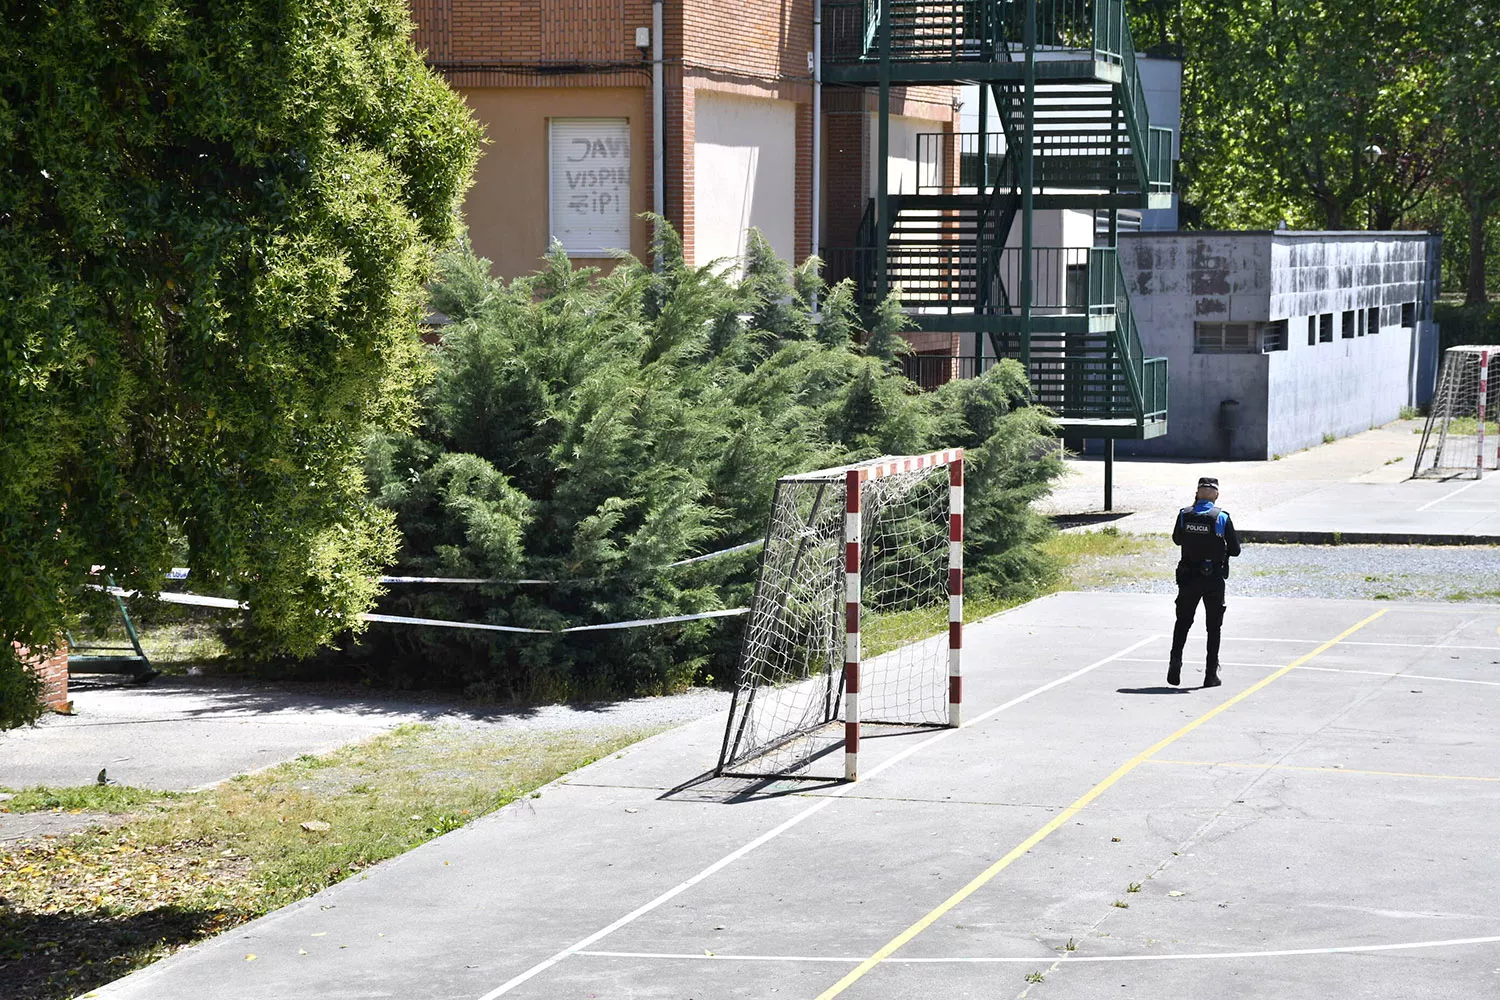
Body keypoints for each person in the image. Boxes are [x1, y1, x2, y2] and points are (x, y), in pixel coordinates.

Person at [1169, 477, 1240, 688]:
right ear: (1216, 495)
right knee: (1213, 627)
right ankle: (1210, 674)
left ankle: (1175, 661)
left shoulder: (1184, 514)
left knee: (1183, 622)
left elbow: (1177, 539)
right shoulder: (1221, 517)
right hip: (1213, 578)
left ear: (1197, 493)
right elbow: (1235, 550)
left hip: (1188, 577)